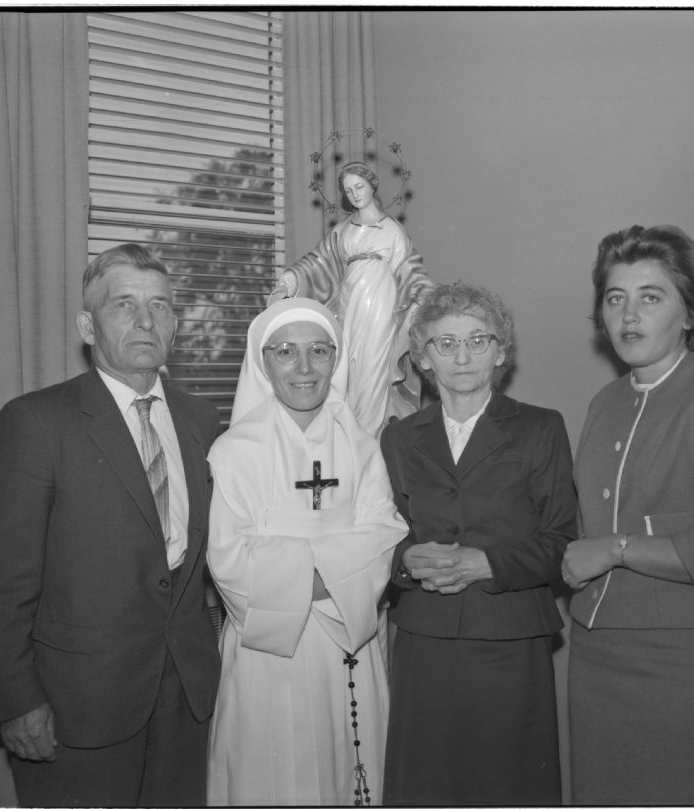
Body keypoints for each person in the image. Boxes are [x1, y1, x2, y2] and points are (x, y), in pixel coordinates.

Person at [0, 244, 221, 807]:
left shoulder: (201, 420)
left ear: (175, 326)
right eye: (124, 304)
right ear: (88, 326)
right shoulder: (36, 421)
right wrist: (17, 701)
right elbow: (2, 581)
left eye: (160, 306)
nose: (145, 320)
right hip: (77, 708)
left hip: (185, 697)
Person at [562, 224, 694, 805]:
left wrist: (617, 548)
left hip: (687, 668)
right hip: (596, 658)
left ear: (689, 314)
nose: (628, 315)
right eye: (615, 298)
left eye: (650, 297)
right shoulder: (605, 403)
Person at [380, 282, 576, 805]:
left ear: (501, 352)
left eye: (478, 340)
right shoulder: (399, 438)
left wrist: (487, 563)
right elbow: (385, 538)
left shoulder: (540, 428)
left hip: (509, 638)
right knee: (426, 785)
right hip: (425, 641)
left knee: (506, 785)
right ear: (424, 357)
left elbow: (562, 541)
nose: (462, 356)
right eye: (445, 343)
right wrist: (406, 561)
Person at [206, 298, 406, 806]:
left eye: (319, 350)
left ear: (335, 359)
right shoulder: (234, 451)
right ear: (262, 361)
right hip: (269, 649)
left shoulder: (361, 447)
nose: (304, 367)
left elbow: (384, 534)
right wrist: (334, 572)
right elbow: (228, 559)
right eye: (285, 351)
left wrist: (297, 573)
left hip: (348, 641)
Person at [266, 161, 434, 437]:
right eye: (348, 190)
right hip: (348, 305)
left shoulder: (392, 230)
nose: (355, 194)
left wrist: (425, 298)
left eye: (359, 186)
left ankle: (368, 438)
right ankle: (348, 435)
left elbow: (411, 270)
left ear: (372, 186)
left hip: (380, 307)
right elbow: (317, 262)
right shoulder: (343, 230)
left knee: (373, 369)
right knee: (346, 370)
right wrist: (289, 281)